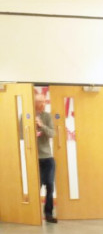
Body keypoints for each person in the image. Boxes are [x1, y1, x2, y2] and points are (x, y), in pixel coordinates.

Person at [35, 90, 57, 223]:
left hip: (47, 158)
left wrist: (41, 126)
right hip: (34, 158)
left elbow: (52, 134)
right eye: (39, 101)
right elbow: (21, 135)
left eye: (43, 101)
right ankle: (33, 215)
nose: (42, 104)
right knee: (35, 186)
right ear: (34, 103)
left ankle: (48, 214)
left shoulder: (47, 116)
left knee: (49, 186)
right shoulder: (27, 115)